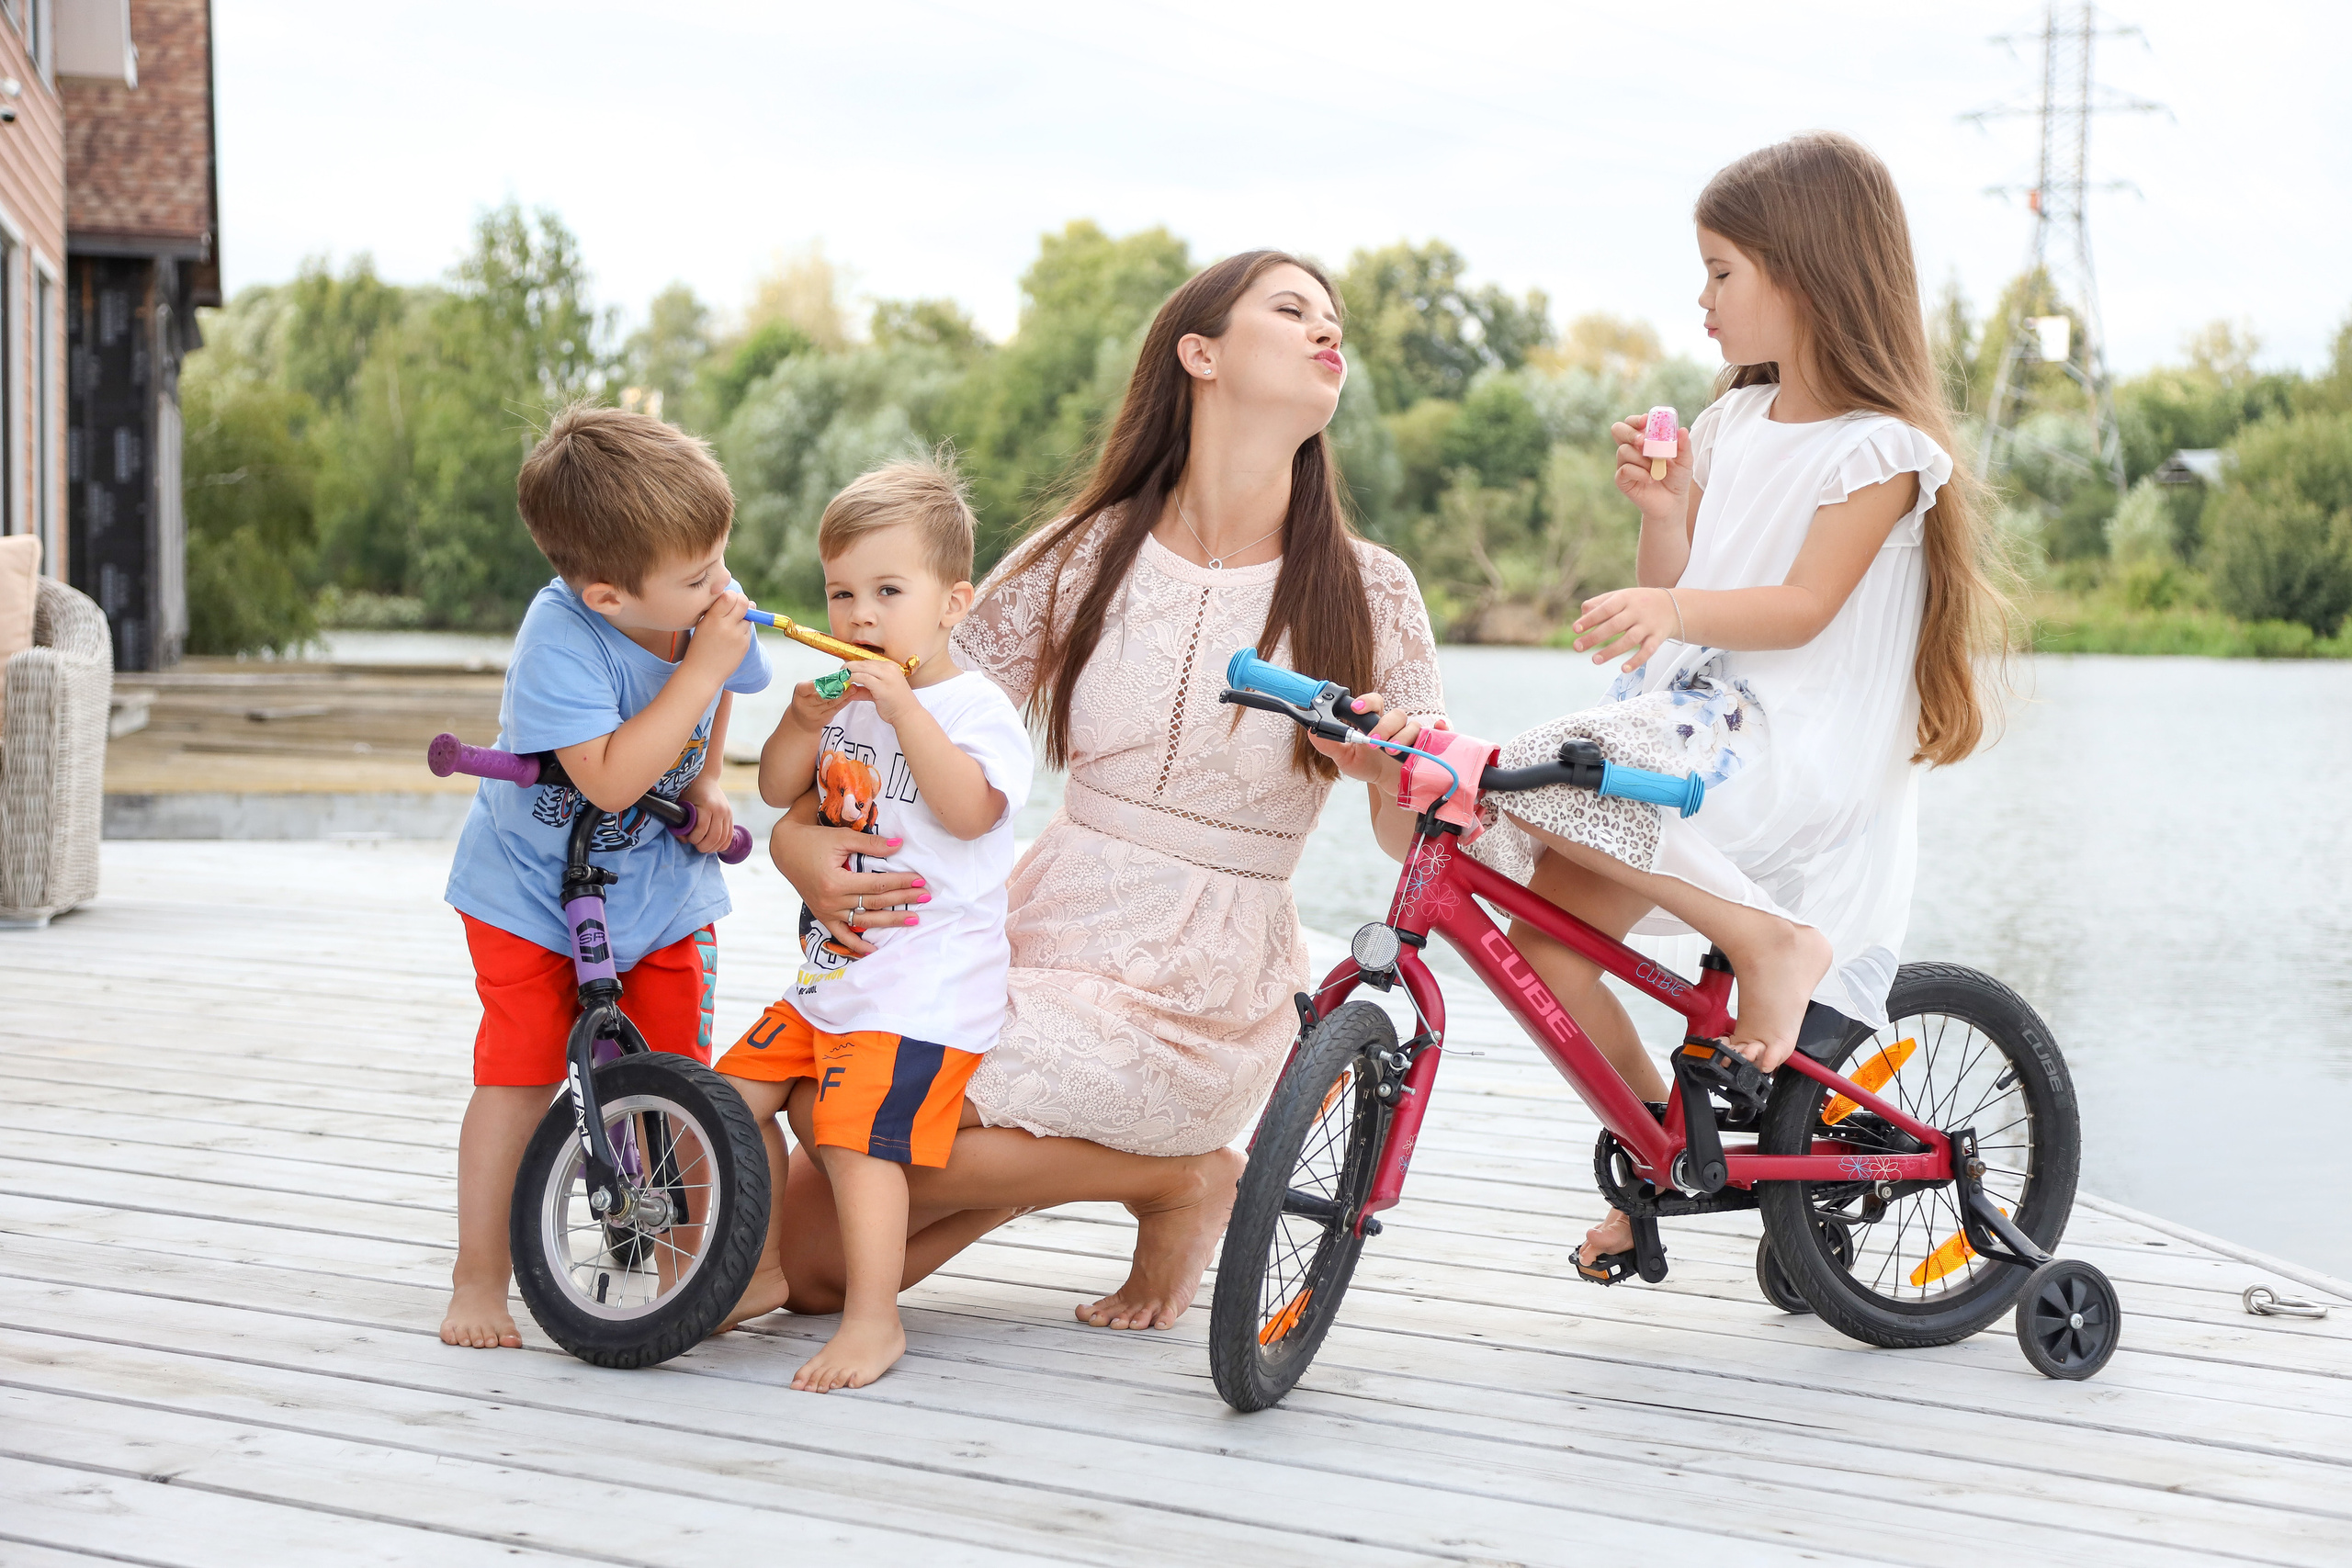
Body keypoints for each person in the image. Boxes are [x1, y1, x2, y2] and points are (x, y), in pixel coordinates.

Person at [749, 251, 1443, 1334]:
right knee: (818, 1264)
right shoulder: (1082, 557)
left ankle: (1176, 1178)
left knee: (852, 1138)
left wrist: (1388, 770)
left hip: (1202, 979)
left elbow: (1414, 840)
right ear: (1199, 354)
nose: (1325, 331)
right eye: (1291, 308)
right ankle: (1127, 1170)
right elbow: (878, 722)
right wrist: (798, 850)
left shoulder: (1369, 589)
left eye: (1333, 320)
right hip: (1032, 928)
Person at [1473, 132, 2011, 1275]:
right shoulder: (1727, 425)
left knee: (1561, 758)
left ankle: (1775, 945)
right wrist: (1662, 512)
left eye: (1723, 270)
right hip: (1703, 729)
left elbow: (1806, 604)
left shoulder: (1884, 451)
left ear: (1806, 274)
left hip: (1787, 748)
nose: (1702, 298)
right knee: (1542, 948)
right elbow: (1680, 585)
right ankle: (1672, 1156)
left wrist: (1677, 615)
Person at [438, 405, 771, 1349]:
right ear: (607, 596)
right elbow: (612, 777)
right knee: (520, 1067)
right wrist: (704, 668)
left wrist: (708, 779)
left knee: (677, 1074)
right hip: (530, 893)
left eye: (721, 559)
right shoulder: (562, 640)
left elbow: (714, 707)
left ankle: (679, 1269)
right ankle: (480, 1278)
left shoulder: (690, 593)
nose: (721, 586)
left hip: (658, 886)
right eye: (698, 576)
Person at [712, 458, 1035, 1392]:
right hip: (832, 981)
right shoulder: (842, 702)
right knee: (731, 1099)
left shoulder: (975, 709)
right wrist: (801, 723)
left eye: (888, 592)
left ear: (952, 603)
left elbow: (973, 812)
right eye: (841, 593)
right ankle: (760, 1266)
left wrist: (904, 709)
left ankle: (872, 1320)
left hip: (923, 990)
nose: (859, 617)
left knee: (856, 1139)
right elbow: (779, 791)